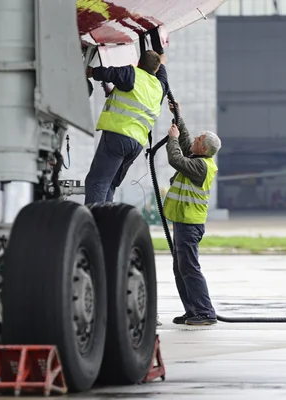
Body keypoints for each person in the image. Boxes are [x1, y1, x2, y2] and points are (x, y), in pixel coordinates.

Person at [83, 50, 168, 204]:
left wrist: (90, 72)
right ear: (156, 69)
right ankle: (106, 223)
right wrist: (161, 61)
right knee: (110, 185)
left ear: (139, 63)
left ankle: (93, 225)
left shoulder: (132, 73)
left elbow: (109, 73)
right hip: (136, 145)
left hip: (118, 137)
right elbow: (162, 74)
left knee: (97, 183)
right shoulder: (160, 87)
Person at [162, 102, 221, 326]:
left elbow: (176, 158)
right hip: (182, 223)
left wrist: (172, 139)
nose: (194, 141)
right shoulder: (198, 159)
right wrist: (179, 116)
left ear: (204, 148)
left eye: (198, 140)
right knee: (181, 269)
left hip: (189, 224)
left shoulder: (202, 166)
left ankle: (205, 313)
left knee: (190, 269)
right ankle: (192, 310)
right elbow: (187, 144)